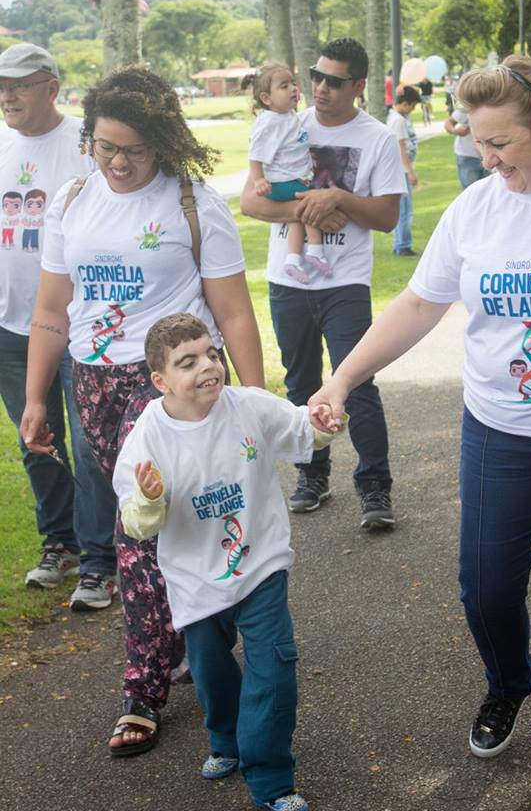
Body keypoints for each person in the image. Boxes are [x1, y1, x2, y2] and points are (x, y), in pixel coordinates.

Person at [309, 54, 531, 811]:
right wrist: (341, 379)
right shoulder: (475, 209)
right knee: (485, 586)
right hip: (497, 428)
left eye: (500, 143)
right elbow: (418, 305)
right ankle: (508, 683)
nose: (485, 158)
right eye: (477, 141)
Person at [21, 65, 264, 757]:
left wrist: (250, 404)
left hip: (170, 386)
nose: (119, 163)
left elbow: (232, 312)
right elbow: (52, 310)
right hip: (92, 382)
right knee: (172, 524)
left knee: (136, 524)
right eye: (105, 147)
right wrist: (37, 398)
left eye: (133, 149)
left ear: (161, 141)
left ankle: (142, 688)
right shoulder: (72, 200)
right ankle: (195, 632)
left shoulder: (193, 205)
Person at [113, 313, 343, 811]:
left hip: (260, 565)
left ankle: (272, 782)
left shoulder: (248, 405)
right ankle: (226, 738)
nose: (207, 366)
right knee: (212, 674)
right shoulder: (148, 436)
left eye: (211, 354)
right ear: (160, 381)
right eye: (187, 362)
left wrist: (322, 424)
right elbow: (137, 522)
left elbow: (300, 429)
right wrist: (149, 498)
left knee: (274, 670)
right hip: (195, 580)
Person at [241, 37, 406, 527]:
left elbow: (387, 217)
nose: (320, 87)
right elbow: (250, 201)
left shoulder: (377, 138)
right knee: (301, 384)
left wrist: (339, 199)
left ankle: (374, 489)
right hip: (288, 280)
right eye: (315, 76)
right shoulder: (286, 123)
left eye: (334, 81)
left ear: (358, 85)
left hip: (345, 282)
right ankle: (312, 476)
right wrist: (306, 210)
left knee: (357, 385)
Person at [0, 41, 115, 606]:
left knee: (91, 444)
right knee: (35, 439)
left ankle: (100, 560)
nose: (6, 95)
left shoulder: (84, 146)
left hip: (77, 325)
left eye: (18, 84)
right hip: (9, 327)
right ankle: (60, 544)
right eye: (1, 85)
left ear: (51, 87)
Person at [248, 63, 332, 284]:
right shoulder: (269, 121)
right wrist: (258, 180)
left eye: (293, 83)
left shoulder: (287, 115)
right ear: (267, 98)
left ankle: (292, 259)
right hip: (279, 182)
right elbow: (255, 153)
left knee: (296, 217)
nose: (293, 88)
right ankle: (315, 250)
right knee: (311, 201)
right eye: (284, 86)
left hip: (290, 179)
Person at [387, 84, 420, 256]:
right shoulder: (398, 121)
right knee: (405, 210)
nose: (413, 110)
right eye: (412, 106)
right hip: (402, 171)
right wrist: (411, 172)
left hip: (403, 170)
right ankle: (402, 245)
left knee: (405, 209)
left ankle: (401, 243)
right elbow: (401, 149)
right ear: (405, 103)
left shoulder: (401, 118)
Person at [444, 104, 489, 189]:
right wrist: (455, 131)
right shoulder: (468, 106)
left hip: (490, 156)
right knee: (470, 191)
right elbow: (448, 122)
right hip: (468, 156)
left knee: (491, 191)